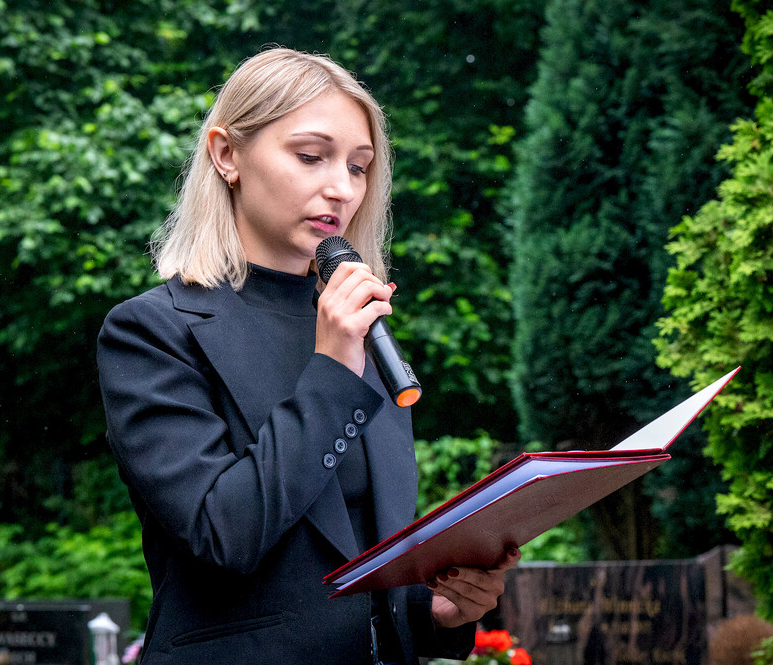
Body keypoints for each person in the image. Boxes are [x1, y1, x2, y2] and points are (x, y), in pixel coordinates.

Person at [96, 47, 519, 665]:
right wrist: (332, 367)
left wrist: (435, 612)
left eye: (359, 166)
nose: (341, 188)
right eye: (310, 156)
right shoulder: (153, 332)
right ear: (226, 154)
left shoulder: (361, 328)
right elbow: (224, 535)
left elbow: (352, 561)